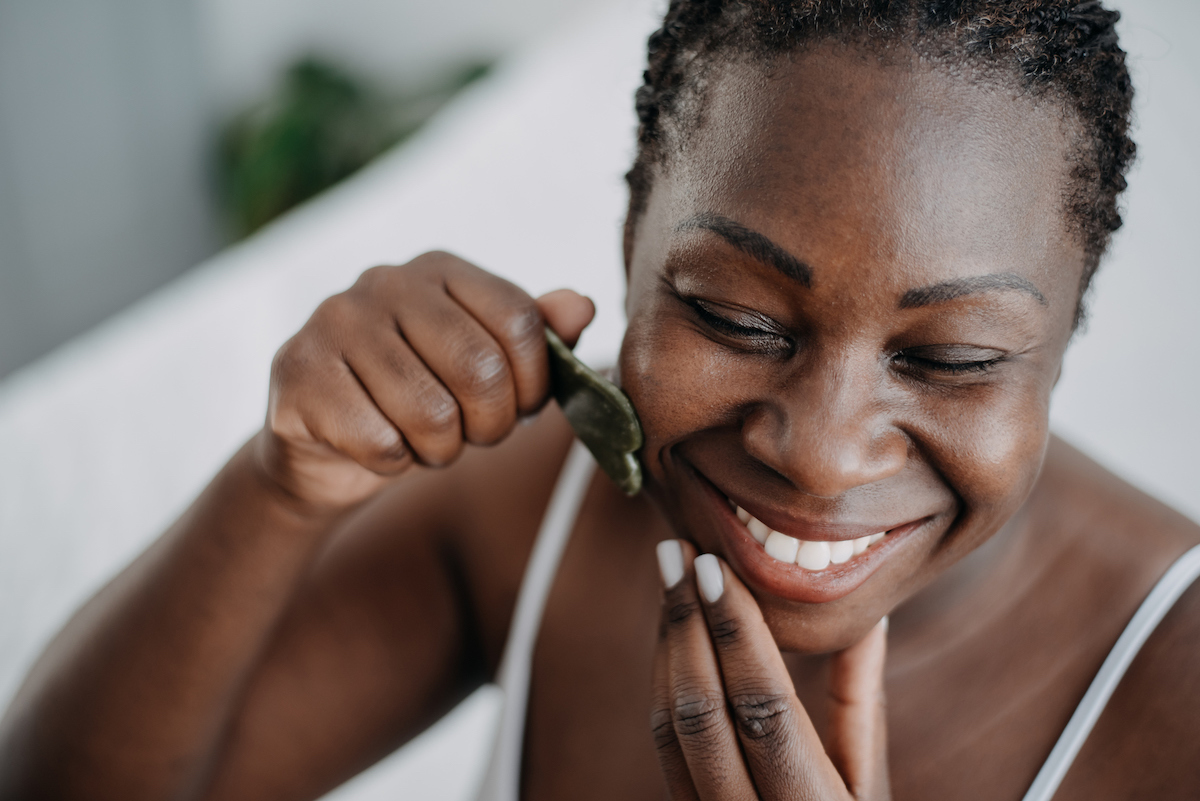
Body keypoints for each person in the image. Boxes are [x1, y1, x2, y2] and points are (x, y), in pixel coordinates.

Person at [2, 1, 1197, 799]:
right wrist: (281, 488)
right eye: (738, 320)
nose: (823, 455)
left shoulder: (1175, 701)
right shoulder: (548, 501)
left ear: (1068, 327)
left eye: (951, 357)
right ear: (632, 244)